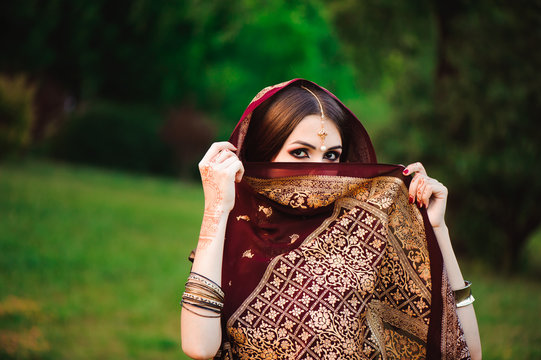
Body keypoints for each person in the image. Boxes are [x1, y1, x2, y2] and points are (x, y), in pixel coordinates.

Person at [180, 79, 482, 359]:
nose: (319, 171)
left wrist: (437, 229)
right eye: (300, 153)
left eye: (331, 156)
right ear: (263, 154)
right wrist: (216, 209)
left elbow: (462, 350)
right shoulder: (230, 237)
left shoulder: (364, 229)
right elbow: (199, 346)